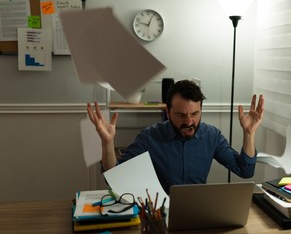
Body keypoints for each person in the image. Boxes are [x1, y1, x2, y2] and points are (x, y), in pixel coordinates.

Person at [87, 80, 264, 194]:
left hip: (198, 212)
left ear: (201, 110)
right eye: (180, 115)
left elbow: (245, 171)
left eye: (194, 114)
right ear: (168, 112)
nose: (189, 121)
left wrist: (249, 134)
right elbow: (113, 177)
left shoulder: (212, 136)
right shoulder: (150, 137)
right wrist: (107, 143)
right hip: (157, 214)